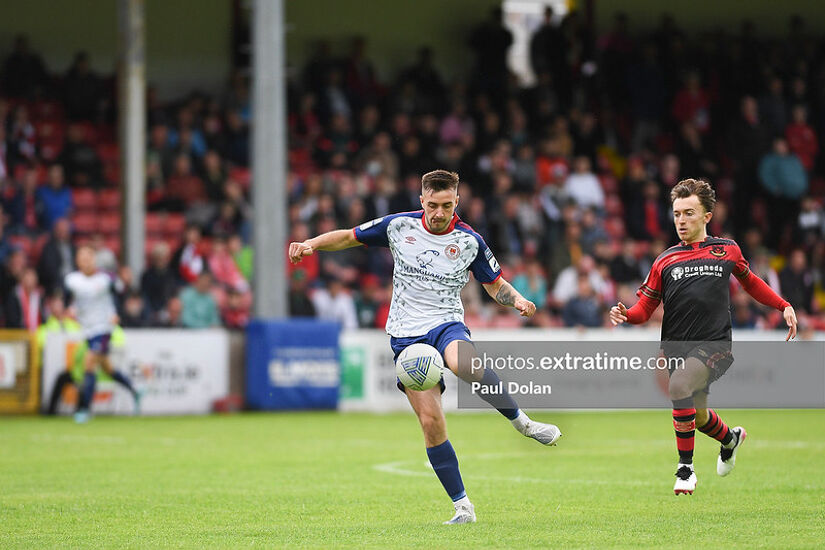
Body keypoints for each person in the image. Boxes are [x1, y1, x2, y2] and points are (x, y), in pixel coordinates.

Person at [289, 170, 561, 524]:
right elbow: (349, 237)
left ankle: (524, 424)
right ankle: (463, 507)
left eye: (446, 205)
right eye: (432, 205)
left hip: (446, 323)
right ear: (421, 201)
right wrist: (311, 244)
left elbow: (494, 284)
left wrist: (519, 300)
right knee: (432, 423)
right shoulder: (399, 226)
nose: (438, 212)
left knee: (464, 362)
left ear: (456, 202)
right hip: (406, 335)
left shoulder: (469, 242)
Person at [609, 179, 797, 495]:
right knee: (697, 415)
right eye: (677, 214)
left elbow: (750, 283)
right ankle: (730, 438)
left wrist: (783, 305)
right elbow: (645, 308)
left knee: (679, 385)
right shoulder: (664, 260)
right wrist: (627, 314)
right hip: (676, 348)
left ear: (707, 215)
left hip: (715, 345)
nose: (681, 221)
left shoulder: (727, 250)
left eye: (689, 213)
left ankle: (686, 469)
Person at [64, 246, 140, 423]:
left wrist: (116, 313)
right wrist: (70, 309)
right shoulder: (72, 280)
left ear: (94, 259)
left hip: (104, 328)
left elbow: (119, 295)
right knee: (108, 368)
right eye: (82, 257)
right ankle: (135, 390)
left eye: (89, 256)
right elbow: (69, 301)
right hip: (87, 329)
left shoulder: (106, 279)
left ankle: (84, 409)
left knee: (89, 362)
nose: (86, 261)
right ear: (77, 261)